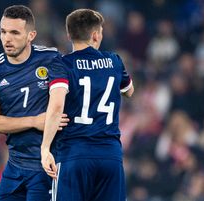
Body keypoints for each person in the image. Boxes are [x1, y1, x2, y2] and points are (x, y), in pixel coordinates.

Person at [41, 8, 134, 201]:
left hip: (75, 155)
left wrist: (45, 149)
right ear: (95, 35)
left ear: (68, 35)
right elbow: (129, 91)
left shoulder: (62, 65)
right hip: (110, 156)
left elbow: (57, 106)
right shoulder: (114, 61)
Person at [0, 5, 68, 201]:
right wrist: (34, 121)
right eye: (3, 32)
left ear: (31, 35)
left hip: (47, 164)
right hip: (15, 164)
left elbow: (62, 103)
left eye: (15, 32)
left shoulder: (51, 58)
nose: (7, 38)